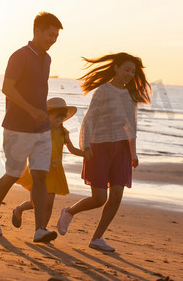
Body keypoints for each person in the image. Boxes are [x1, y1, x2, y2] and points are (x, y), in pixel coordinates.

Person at [56, 52, 152, 252]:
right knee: (99, 198)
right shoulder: (103, 91)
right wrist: (86, 146)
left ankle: (97, 238)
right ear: (116, 67)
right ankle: (70, 211)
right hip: (99, 146)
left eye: (132, 72)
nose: (129, 74)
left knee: (116, 196)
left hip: (122, 150)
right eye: (126, 69)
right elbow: (90, 118)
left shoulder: (130, 96)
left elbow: (131, 126)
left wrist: (133, 153)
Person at [0, 12, 63, 243]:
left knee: (41, 176)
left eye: (56, 36)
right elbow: (7, 88)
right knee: (14, 173)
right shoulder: (19, 56)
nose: (53, 40)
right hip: (17, 127)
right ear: (37, 30)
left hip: (42, 129)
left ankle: (40, 229)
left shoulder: (47, 59)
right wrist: (30, 110)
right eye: (50, 34)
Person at [12, 97, 84, 229]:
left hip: (54, 171)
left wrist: (86, 154)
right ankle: (19, 209)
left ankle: (42, 229)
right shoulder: (40, 130)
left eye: (61, 118)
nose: (59, 120)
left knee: (49, 203)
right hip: (38, 169)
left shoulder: (63, 132)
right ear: (48, 115)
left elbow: (72, 149)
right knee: (35, 203)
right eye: (56, 117)